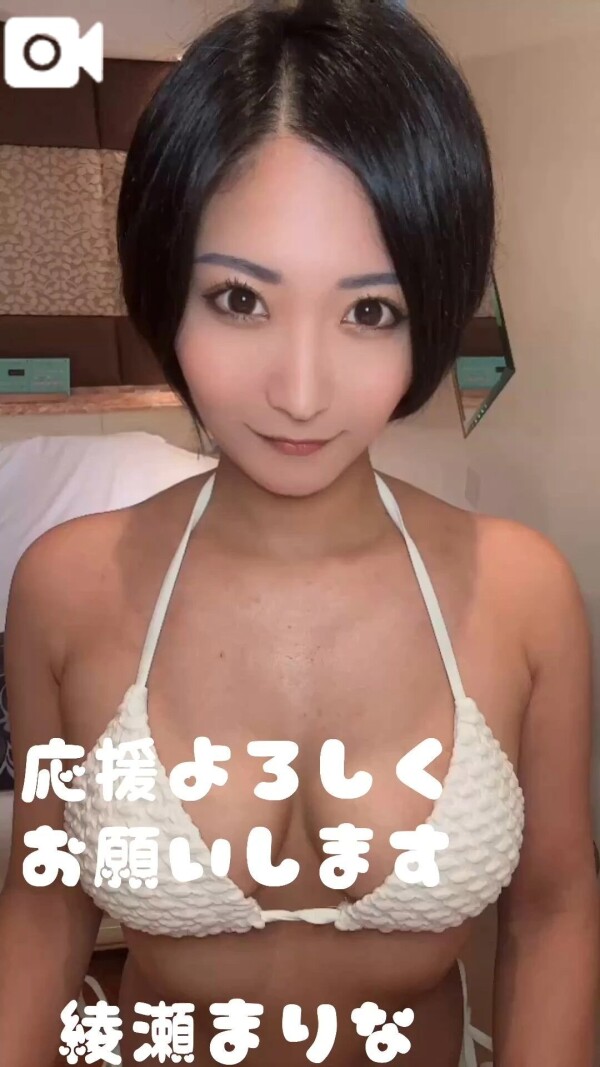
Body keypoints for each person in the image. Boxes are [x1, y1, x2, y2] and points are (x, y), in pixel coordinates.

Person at [0, 1, 597, 1064]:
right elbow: (46, 899)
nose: (302, 390)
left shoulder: (523, 593)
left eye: (370, 311)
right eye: (240, 298)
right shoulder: (64, 587)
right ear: (166, 285)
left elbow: (554, 906)